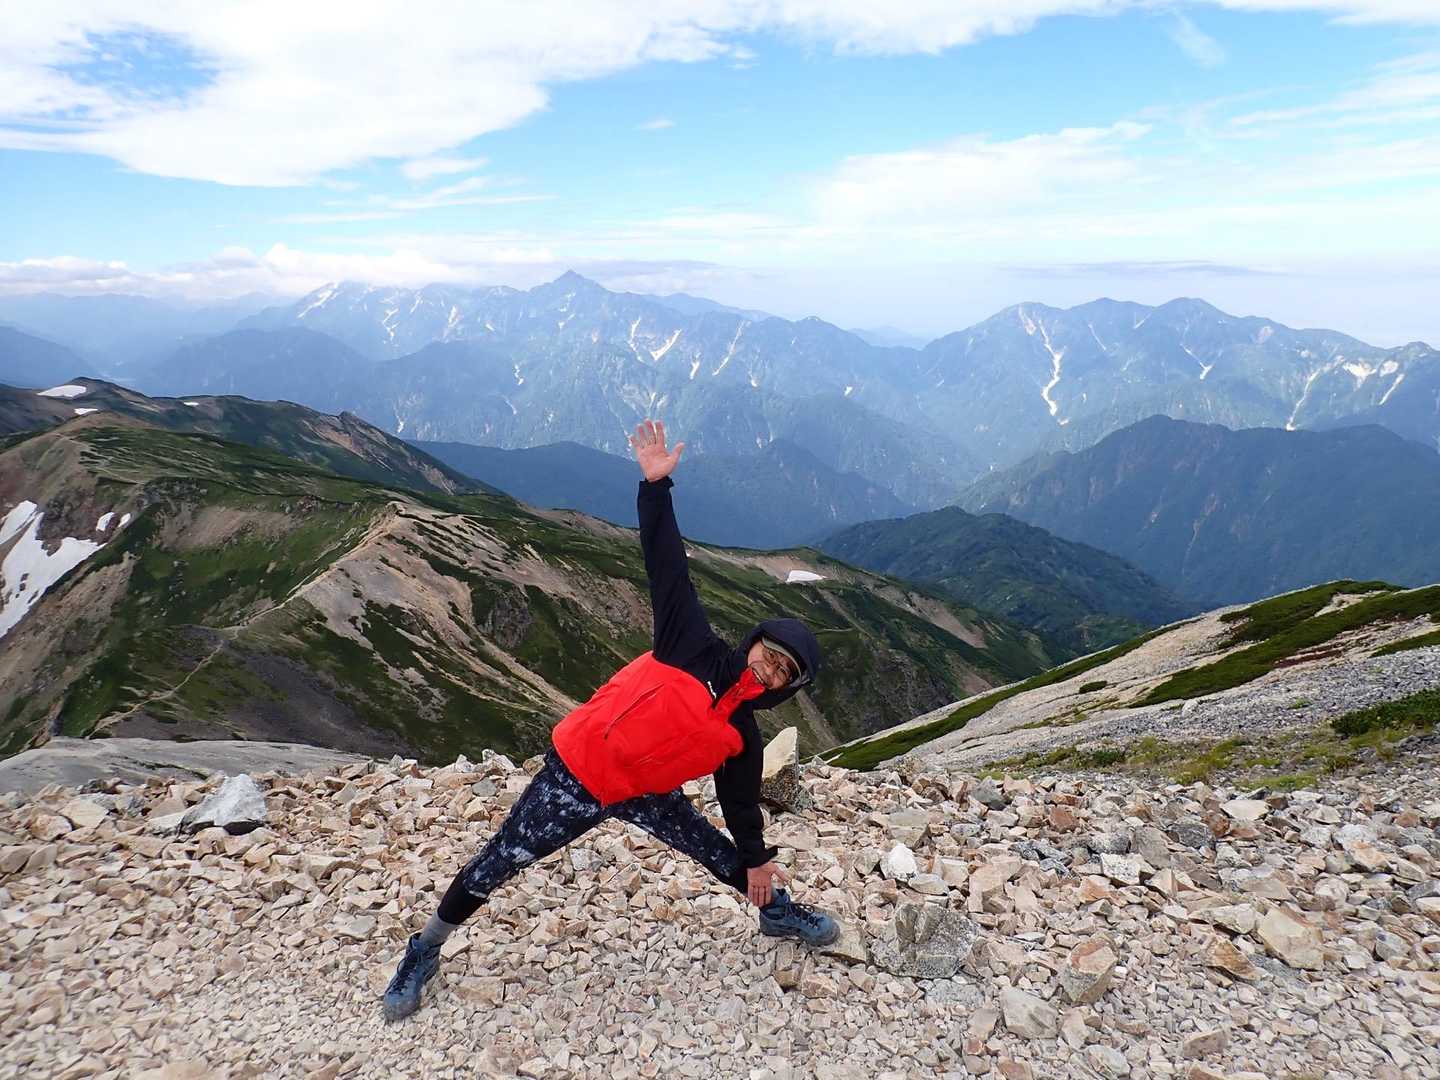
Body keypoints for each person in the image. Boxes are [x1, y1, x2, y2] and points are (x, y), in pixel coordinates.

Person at [382, 418, 840, 1022]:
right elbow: (667, 565)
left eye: (784, 673)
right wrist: (656, 487)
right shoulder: (689, 643)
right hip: (576, 774)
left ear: (787, 689)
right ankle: (424, 948)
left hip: (644, 792)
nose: (769, 670)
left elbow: (739, 804)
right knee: (502, 860)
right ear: (753, 640)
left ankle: (775, 911)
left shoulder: (743, 737)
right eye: (770, 654)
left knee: (720, 850)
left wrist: (757, 858)